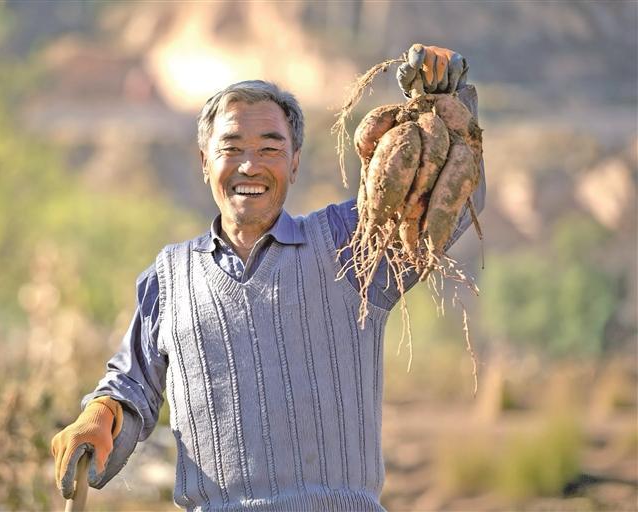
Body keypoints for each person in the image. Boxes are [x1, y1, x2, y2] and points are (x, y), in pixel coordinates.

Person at [52, 44, 485, 511]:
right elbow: (130, 386)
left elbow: (451, 207)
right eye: (231, 149)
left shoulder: (351, 246)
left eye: (270, 149)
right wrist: (100, 414)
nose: (249, 166)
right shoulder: (170, 276)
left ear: (294, 163)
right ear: (204, 163)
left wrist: (452, 107)